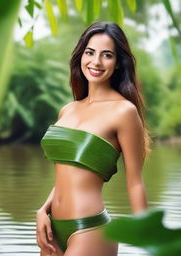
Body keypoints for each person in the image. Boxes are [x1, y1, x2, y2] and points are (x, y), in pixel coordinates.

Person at [37, 21, 150, 256]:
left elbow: (135, 182)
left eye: (106, 55)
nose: (96, 62)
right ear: (81, 55)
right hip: (52, 230)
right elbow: (66, 173)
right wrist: (42, 210)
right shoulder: (68, 110)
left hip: (90, 231)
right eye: (90, 52)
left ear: (118, 63)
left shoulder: (124, 112)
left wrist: (150, 243)